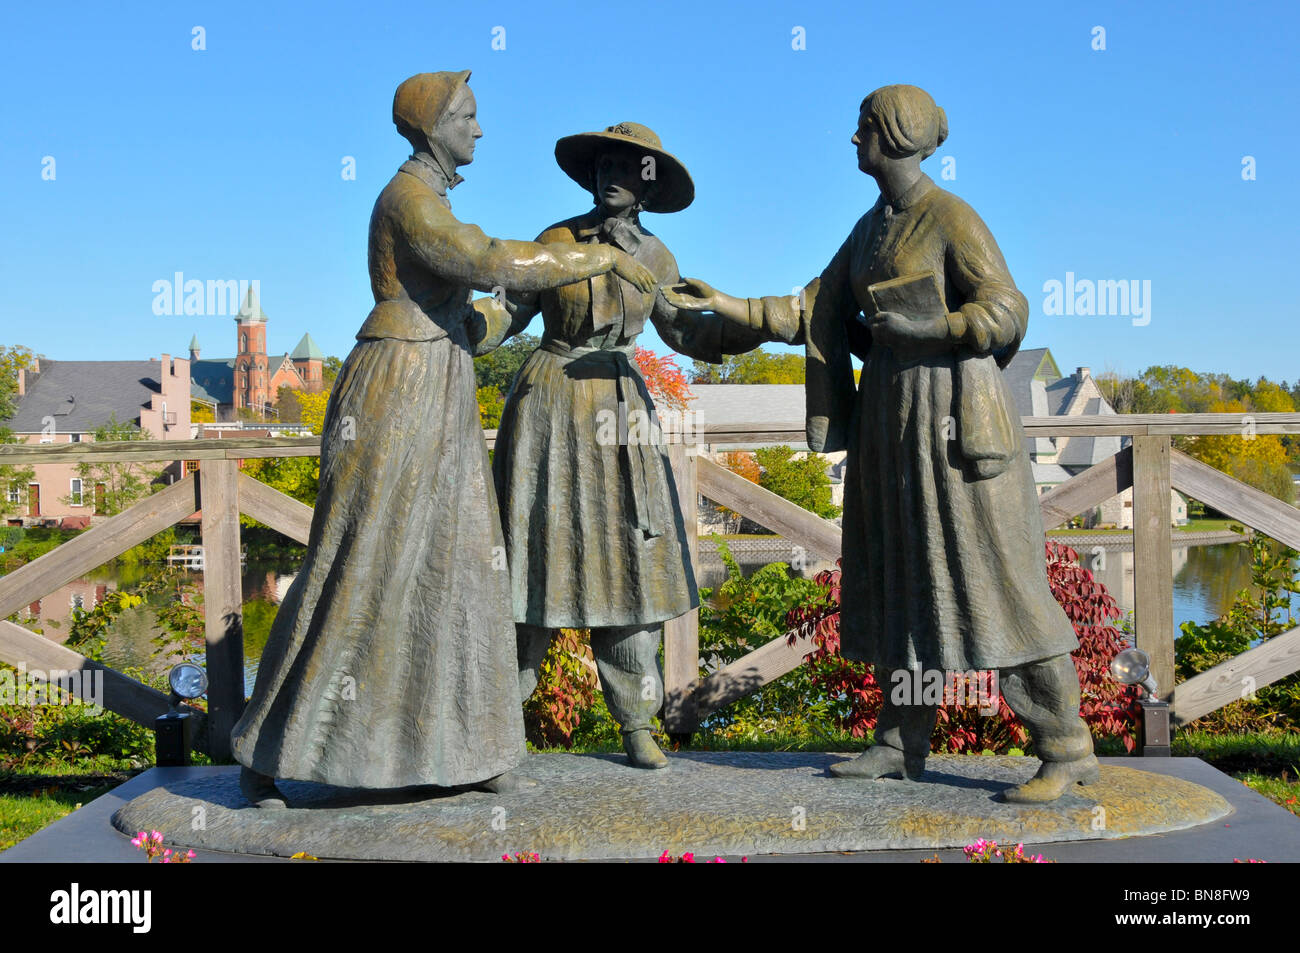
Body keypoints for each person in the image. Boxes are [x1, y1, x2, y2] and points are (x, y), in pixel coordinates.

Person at [230, 72, 658, 806]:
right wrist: (598, 257)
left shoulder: (431, 200)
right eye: (468, 117)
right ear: (434, 126)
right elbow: (489, 260)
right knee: (360, 560)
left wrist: (492, 326)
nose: (479, 130)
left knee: (457, 570)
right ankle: (271, 748)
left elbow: (474, 314)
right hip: (398, 390)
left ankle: (462, 745)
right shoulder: (411, 201)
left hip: (442, 380)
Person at [662, 85, 1097, 803]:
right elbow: (812, 307)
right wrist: (729, 305)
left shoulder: (952, 217)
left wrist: (942, 329)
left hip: (958, 432)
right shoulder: (869, 231)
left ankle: (1066, 743)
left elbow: (1008, 309)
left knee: (996, 583)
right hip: (891, 428)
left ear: (894, 135)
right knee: (903, 583)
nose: (852, 138)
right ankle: (900, 741)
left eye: (862, 127)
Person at [491, 122, 761, 768]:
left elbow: (687, 333)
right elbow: (508, 309)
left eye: (627, 165)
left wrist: (754, 324)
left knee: (629, 566)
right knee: (530, 564)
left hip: (619, 410)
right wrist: (455, 327)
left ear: (648, 183)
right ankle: (498, 723)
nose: (612, 172)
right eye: (603, 161)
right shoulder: (555, 240)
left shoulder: (658, 258)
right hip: (549, 407)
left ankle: (636, 722)